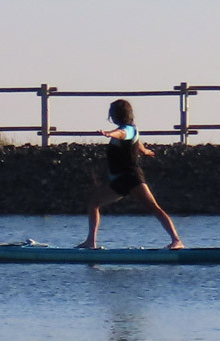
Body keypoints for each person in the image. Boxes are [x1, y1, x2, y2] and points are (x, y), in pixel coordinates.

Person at [79, 98, 184, 250]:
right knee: (94, 203)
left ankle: (176, 240)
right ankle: (90, 242)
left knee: (153, 207)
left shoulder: (127, 129)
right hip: (120, 180)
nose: (111, 116)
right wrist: (146, 151)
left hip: (131, 177)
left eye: (112, 114)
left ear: (119, 114)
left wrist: (109, 133)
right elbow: (137, 143)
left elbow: (122, 134)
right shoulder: (133, 130)